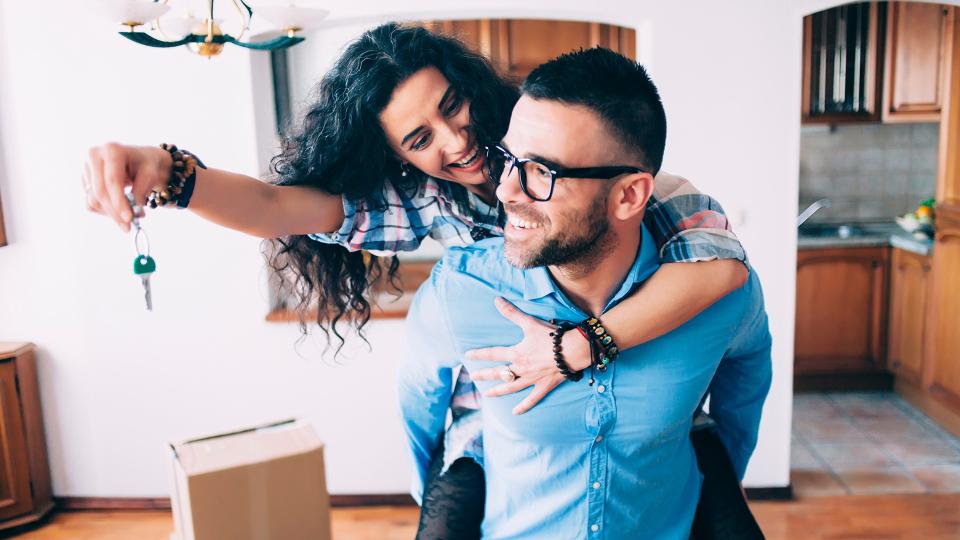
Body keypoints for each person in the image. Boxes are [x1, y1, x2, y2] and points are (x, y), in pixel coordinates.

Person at [81, 23, 754, 537]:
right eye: (419, 139)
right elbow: (272, 207)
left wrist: (577, 346)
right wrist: (170, 172)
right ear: (399, 157)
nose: (456, 143)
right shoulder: (432, 205)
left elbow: (723, 270)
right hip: (491, 413)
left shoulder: (622, 179)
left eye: (453, 107)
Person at [400, 47, 772, 539]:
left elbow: (749, 366)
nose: (507, 191)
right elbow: (419, 407)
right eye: (508, 159)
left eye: (541, 172)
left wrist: (729, 474)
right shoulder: (460, 294)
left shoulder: (717, 295)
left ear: (629, 195)